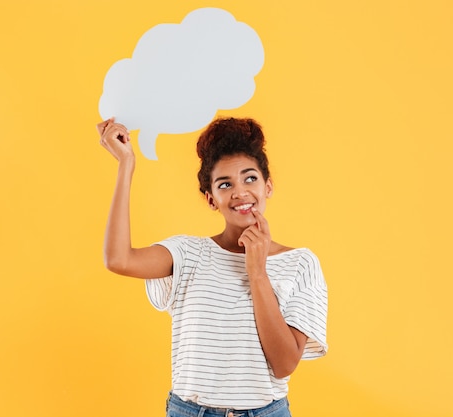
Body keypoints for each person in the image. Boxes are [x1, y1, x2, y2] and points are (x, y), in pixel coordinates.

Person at [98, 116, 328, 417]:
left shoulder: (300, 263)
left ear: (267, 186)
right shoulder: (188, 253)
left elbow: (285, 364)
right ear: (211, 199)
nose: (240, 192)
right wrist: (125, 163)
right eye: (225, 184)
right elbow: (119, 260)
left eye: (250, 178)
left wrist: (257, 272)